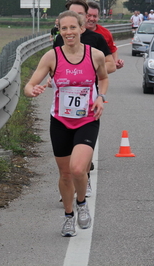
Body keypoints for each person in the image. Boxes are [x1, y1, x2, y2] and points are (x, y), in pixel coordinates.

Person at [24, 10, 109, 237]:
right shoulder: (52, 57)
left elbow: (103, 77)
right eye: (64, 28)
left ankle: (81, 203)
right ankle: (69, 216)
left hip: (87, 119)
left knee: (78, 168)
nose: (69, 32)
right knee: (65, 175)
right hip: (60, 121)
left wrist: (101, 97)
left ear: (82, 28)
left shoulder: (95, 55)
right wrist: (33, 90)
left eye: (73, 27)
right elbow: (29, 85)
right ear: (59, 31)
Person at [87, 1, 124, 70]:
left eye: (95, 16)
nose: (92, 19)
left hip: (99, 73)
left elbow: (112, 49)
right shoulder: (77, 32)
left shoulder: (105, 33)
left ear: (98, 17)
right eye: (89, 15)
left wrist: (115, 62)